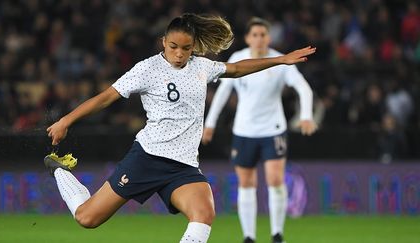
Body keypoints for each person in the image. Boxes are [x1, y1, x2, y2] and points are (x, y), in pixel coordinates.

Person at [45, 13, 316, 243]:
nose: (179, 53)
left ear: (193, 47)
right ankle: (59, 170)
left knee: (204, 213)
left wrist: (280, 60)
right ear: (163, 42)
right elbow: (105, 97)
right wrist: (65, 120)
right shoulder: (147, 69)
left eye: (186, 48)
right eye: (173, 46)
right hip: (147, 158)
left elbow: (236, 69)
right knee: (87, 218)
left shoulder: (202, 66)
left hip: (183, 166)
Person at [202, 17, 317, 243]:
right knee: (246, 184)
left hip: (273, 129)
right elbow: (223, 93)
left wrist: (306, 116)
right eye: (254, 35)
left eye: (263, 34)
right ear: (247, 38)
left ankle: (277, 234)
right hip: (244, 131)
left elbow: (303, 88)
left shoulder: (279, 60)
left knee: (275, 180)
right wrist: (210, 123)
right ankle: (249, 237)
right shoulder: (237, 59)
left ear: (269, 37)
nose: (259, 39)